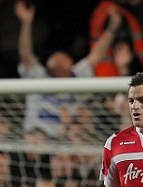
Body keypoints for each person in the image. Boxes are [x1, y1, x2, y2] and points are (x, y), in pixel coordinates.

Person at [14, 0, 122, 138]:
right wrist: (26, 23)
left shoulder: (77, 74)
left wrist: (112, 28)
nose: (68, 64)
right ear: (52, 69)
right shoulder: (39, 76)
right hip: (38, 138)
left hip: (67, 139)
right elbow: (25, 54)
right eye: (62, 64)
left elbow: (97, 54)